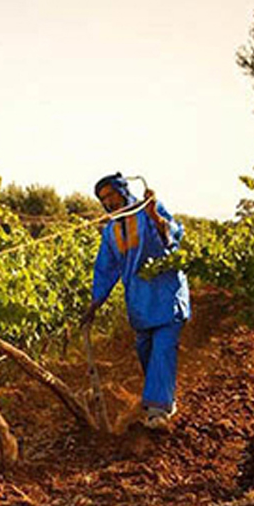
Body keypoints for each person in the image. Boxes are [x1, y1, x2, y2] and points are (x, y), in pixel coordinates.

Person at [81, 173, 190, 430]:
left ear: (123, 191)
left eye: (111, 195)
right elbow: (105, 270)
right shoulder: (110, 232)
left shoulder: (149, 211)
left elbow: (174, 236)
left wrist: (154, 215)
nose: (109, 202)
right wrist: (95, 304)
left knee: (163, 349)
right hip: (139, 303)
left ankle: (157, 411)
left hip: (166, 295)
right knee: (146, 353)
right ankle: (164, 400)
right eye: (103, 199)